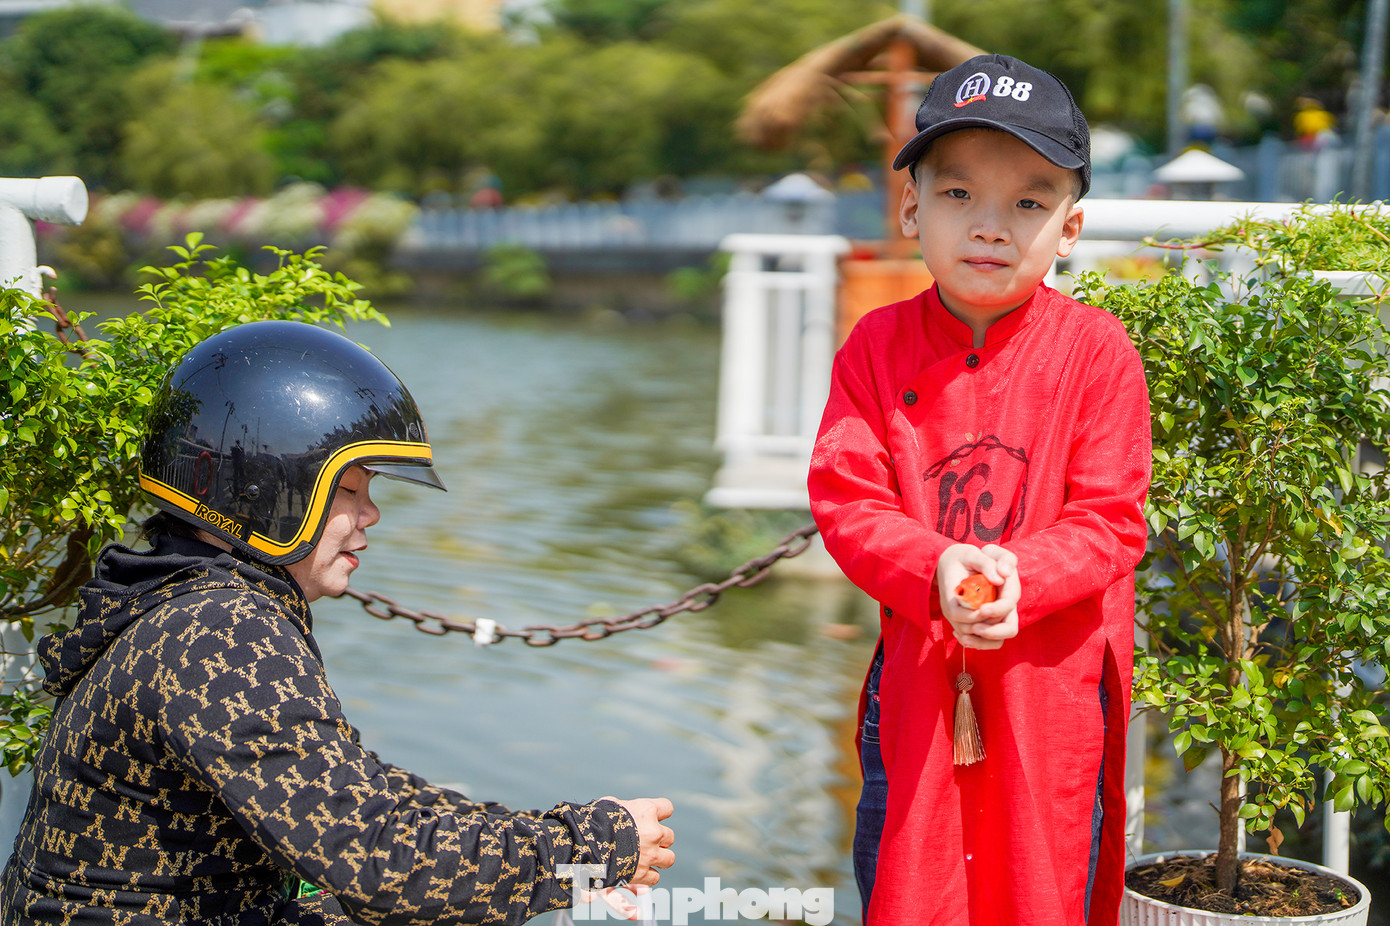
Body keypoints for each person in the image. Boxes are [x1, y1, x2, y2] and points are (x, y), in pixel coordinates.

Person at [1, 320, 674, 925]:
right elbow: (376, 859)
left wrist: (557, 833)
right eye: (351, 490)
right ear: (268, 489)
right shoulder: (219, 631)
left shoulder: (183, 602)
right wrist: (593, 845)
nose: (371, 514)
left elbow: (352, 789)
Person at [807, 55, 1151, 926]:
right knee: (908, 881)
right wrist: (937, 566)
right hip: (920, 683)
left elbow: (1111, 521)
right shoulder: (874, 347)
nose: (992, 227)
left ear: (1069, 229)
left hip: (1054, 689)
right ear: (913, 208)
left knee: (1042, 887)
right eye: (959, 196)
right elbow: (848, 500)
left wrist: (1020, 577)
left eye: (1030, 202)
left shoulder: (1098, 351)